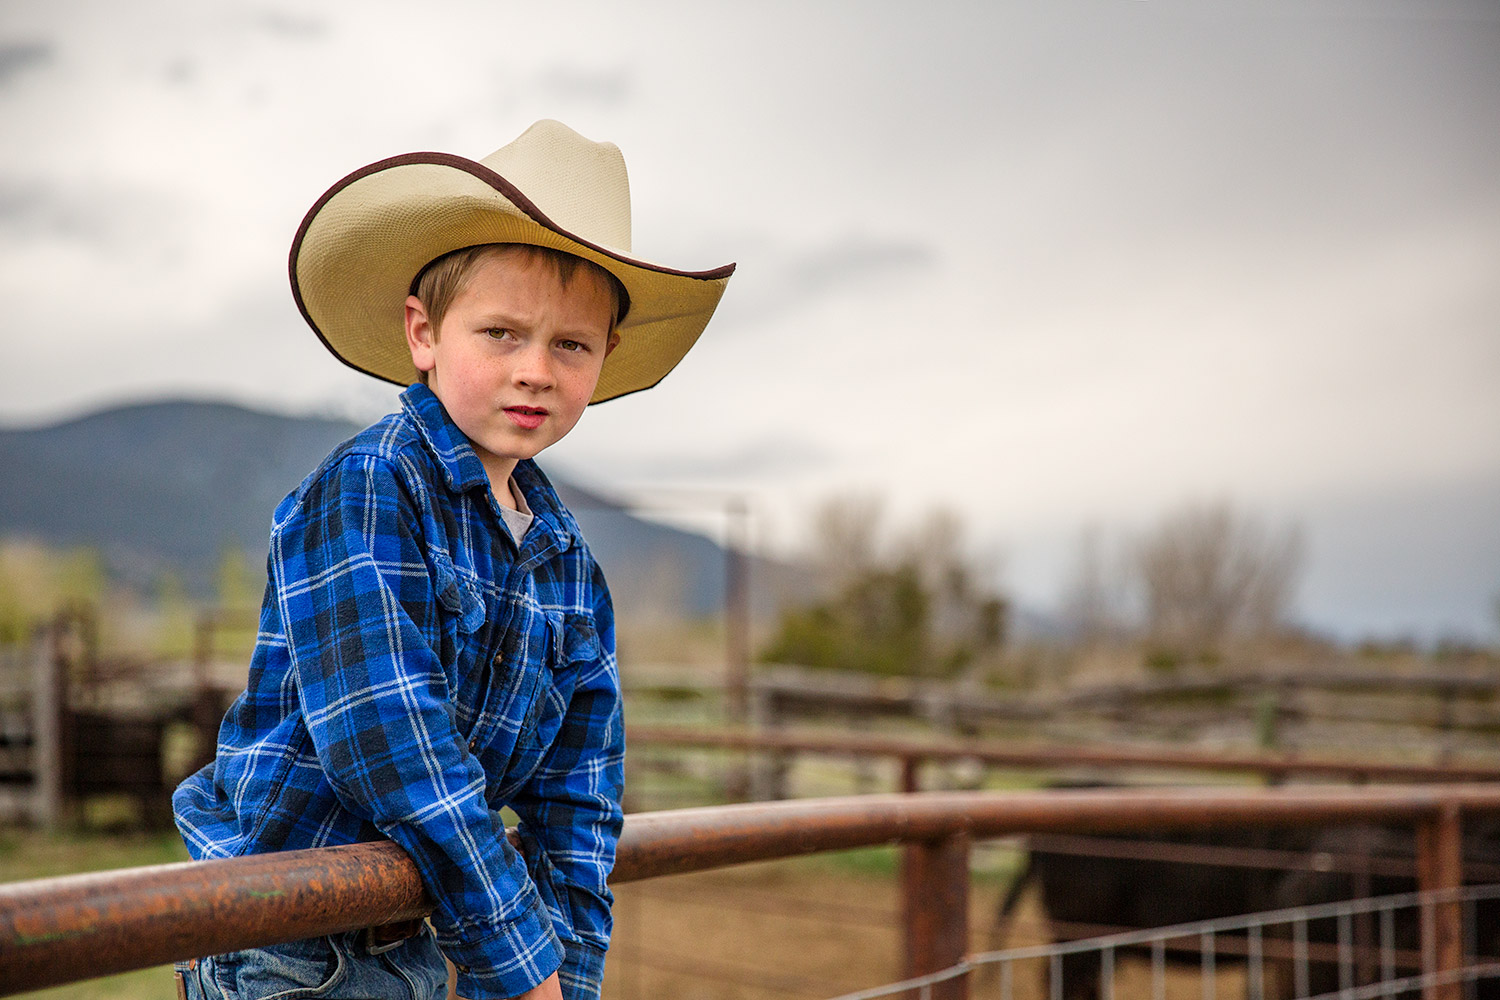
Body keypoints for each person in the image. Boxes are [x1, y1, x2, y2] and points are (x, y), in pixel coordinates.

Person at [171, 120, 734, 1000]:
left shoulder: (569, 568)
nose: (536, 370)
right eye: (502, 333)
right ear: (424, 333)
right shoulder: (370, 489)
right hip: (290, 943)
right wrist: (521, 963)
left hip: (421, 940)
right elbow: (387, 740)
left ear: (605, 356)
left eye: (571, 344)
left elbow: (580, 792)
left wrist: (568, 976)